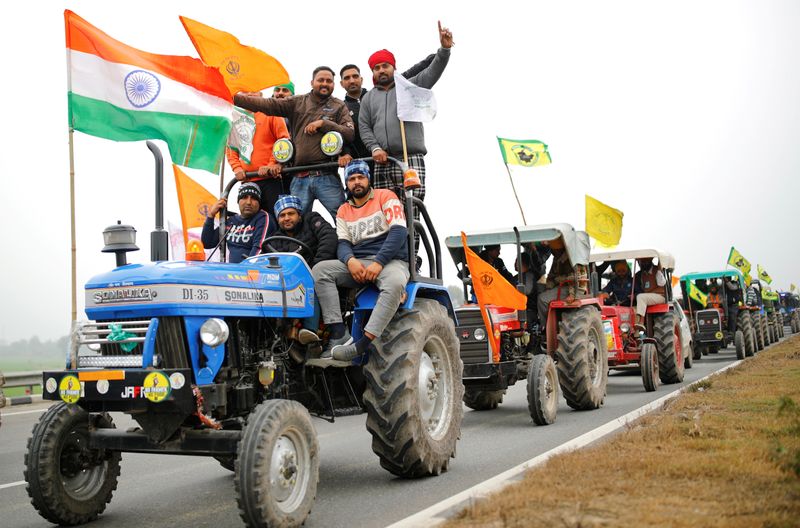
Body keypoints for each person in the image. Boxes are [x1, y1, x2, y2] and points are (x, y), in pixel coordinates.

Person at [312, 160, 409, 361]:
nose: (357, 182)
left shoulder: (386, 197)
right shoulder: (343, 210)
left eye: (360, 177)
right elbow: (343, 242)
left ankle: (361, 345)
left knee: (395, 283)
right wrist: (350, 261)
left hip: (390, 261)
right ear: (346, 183)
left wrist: (379, 262)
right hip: (359, 261)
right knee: (321, 270)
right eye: (351, 179)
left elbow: (399, 232)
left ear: (368, 179)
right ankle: (338, 333)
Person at [359, 21, 454, 224]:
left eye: (385, 66)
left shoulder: (408, 86)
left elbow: (432, 73)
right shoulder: (367, 98)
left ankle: (413, 255)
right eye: (377, 68)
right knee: (384, 212)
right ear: (372, 73)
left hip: (409, 157)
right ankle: (393, 254)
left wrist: (444, 50)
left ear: (394, 68)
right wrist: (374, 148)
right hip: (382, 162)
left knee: (411, 207)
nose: (381, 70)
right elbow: (364, 127)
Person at [234, 67, 355, 220]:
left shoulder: (339, 106)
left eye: (329, 81)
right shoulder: (298, 102)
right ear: (312, 83)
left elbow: (350, 134)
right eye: (320, 80)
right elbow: (267, 105)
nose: (325, 84)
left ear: (334, 84)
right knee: (294, 224)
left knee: (343, 219)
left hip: (326, 176)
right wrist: (233, 98)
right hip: (299, 177)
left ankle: (346, 245)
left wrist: (324, 124)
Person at [338, 56, 435, 165]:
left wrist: (433, 58)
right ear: (341, 83)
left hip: (386, 158)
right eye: (347, 78)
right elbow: (343, 135)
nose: (352, 80)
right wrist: (345, 153)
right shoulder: (341, 109)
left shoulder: (377, 95)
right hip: (362, 164)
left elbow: (404, 77)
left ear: (361, 79)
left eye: (355, 76)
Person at [227, 91, 290, 215]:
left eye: (254, 91)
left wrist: (272, 164)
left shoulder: (271, 113)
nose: (250, 94)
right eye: (246, 92)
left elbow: (283, 141)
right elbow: (231, 149)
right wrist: (237, 168)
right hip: (247, 181)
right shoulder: (234, 118)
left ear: (261, 95)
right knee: (251, 222)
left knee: (274, 219)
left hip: (271, 180)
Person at [201, 182, 275, 264]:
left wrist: (244, 270)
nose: (249, 202)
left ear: (259, 203)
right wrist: (211, 215)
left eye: (253, 198)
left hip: (252, 271)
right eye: (244, 197)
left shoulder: (263, 218)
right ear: (238, 201)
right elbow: (207, 243)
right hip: (233, 272)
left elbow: (259, 248)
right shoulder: (231, 221)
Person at [266, 195, 337, 268]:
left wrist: (316, 266)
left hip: (317, 270)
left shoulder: (311, 220)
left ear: (299, 215)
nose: (286, 218)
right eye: (282, 215)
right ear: (278, 220)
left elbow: (329, 237)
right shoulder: (274, 239)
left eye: (291, 214)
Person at [537, 237, 588, 332]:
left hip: (571, 289)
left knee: (542, 299)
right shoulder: (557, 259)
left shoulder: (573, 258)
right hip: (561, 286)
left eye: (554, 249)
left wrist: (573, 295)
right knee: (539, 290)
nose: (552, 251)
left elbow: (578, 278)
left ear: (560, 248)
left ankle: (547, 329)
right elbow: (552, 276)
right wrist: (549, 287)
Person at [633, 258, 667, 330]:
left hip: (660, 296)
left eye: (645, 261)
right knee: (635, 304)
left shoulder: (657, 271)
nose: (642, 264)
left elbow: (662, 284)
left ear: (650, 261)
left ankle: (641, 321)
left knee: (641, 297)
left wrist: (659, 270)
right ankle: (636, 333)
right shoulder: (642, 274)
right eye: (641, 262)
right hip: (649, 297)